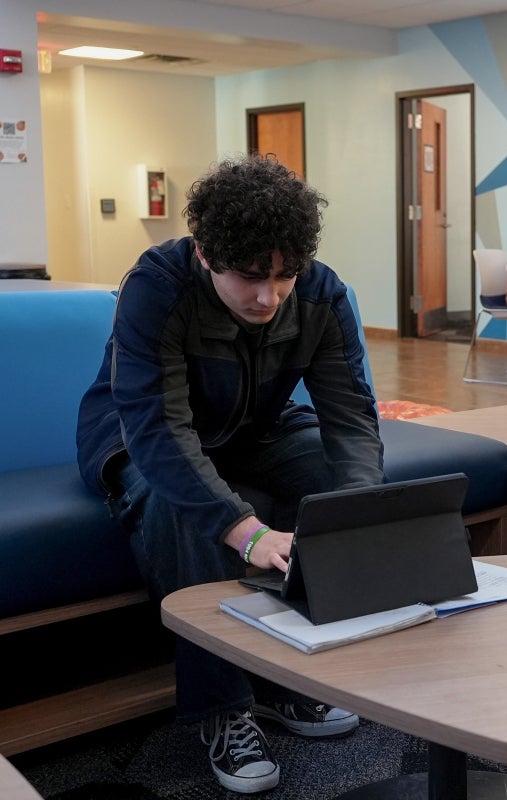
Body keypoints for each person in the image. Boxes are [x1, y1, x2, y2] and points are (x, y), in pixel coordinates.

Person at [76, 155, 384, 794]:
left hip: (253, 431)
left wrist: (356, 515)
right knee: (181, 508)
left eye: (284, 276)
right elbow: (160, 430)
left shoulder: (322, 295)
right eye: (249, 276)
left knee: (338, 481)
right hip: (136, 438)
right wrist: (244, 530)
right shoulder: (155, 287)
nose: (269, 296)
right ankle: (223, 708)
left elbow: (351, 418)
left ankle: (292, 676)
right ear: (205, 256)